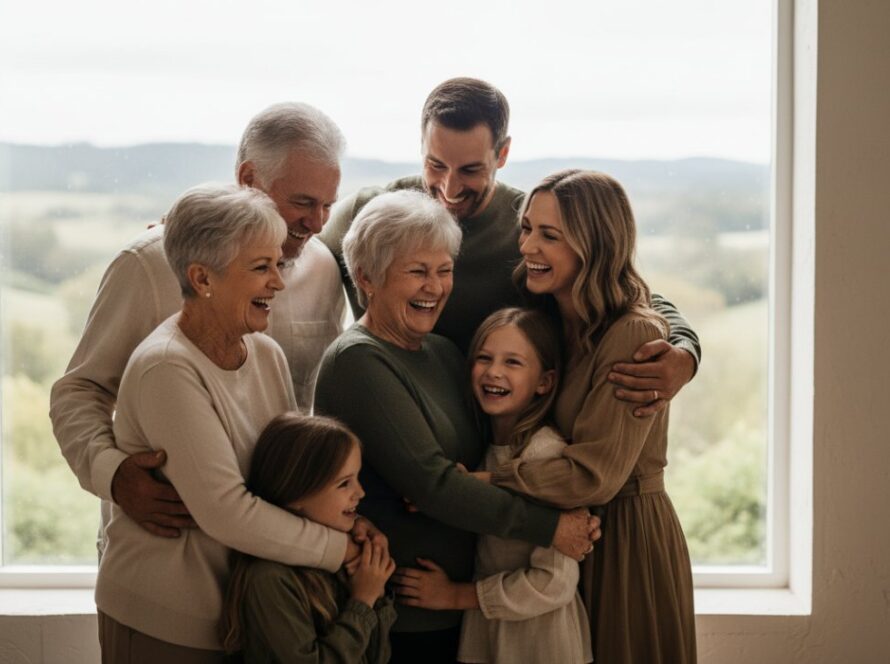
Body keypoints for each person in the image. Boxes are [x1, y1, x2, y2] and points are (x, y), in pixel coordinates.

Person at [313, 190, 598, 664]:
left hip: (469, 610)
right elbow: (434, 483)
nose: (435, 287)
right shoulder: (357, 360)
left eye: (444, 270)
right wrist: (552, 528)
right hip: (407, 611)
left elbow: (471, 467)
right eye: (417, 271)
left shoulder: (444, 353)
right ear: (366, 277)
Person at [50, 102, 348, 544]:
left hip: (275, 556)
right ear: (249, 180)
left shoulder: (323, 267)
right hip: (165, 549)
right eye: (302, 202)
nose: (317, 222)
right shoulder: (150, 264)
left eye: (327, 205)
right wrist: (112, 475)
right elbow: (79, 390)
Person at [320, 77, 700, 418]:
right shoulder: (368, 214)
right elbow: (289, 255)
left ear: (502, 154)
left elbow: (624, 286)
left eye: (470, 170)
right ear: (421, 146)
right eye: (435, 165)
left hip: (501, 435)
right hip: (388, 418)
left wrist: (685, 352)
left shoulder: (530, 227)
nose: (449, 190)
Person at [96, 185, 356, 662]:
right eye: (261, 268)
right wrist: (343, 551)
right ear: (202, 278)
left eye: (277, 264)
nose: (277, 282)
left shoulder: (264, 352)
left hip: (238, 618)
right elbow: (228, 512)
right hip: (164, 620)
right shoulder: (167, 368)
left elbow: (283, 476)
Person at [489, 170, 697, 663]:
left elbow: (594, 476)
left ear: (596, 245)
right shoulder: (545, 308)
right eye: (527, 229)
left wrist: (482, 481)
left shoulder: (630, 333)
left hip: (624, 539)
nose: (528, 247)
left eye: (550, 236)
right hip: (565, 536)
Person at [393, 307, 593, 664]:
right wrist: (441, 499)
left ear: (544, 382)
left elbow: (555, 583)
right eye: (484, 358)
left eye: (513, 362)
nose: (494, 371)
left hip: (539, 641)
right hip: (488, 635)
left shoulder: (546, 453)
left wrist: (454, 596)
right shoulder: (484, 449)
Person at [221, 413, 397, 664]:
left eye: (357, 478)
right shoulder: (269, 578)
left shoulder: (346, 557)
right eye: (344, 483)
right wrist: (364, 601)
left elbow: (377, 656)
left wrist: (375, 592)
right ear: (296, 493)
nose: (360, 492)